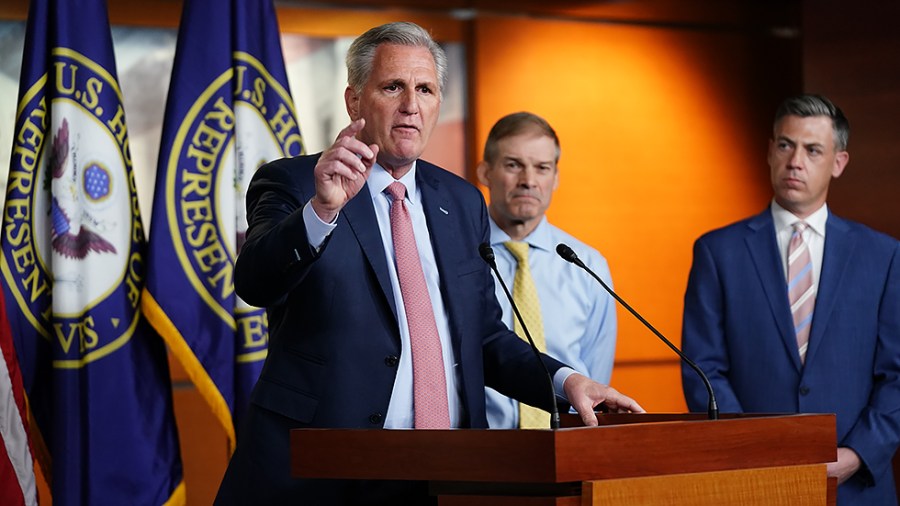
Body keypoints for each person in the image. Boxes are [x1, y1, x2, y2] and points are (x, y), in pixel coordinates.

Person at [214, 21, 643, 505]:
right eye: (393, 87)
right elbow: (255, 282)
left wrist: (568, 381)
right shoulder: (295, 182)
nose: (411, 106)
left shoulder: (460, 200)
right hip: (323, 471)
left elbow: (483, 335)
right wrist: (322, 211)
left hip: (444, 474)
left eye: (425, 89)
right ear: (355, 100)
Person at [681, 94, 900, 505]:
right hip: (752, 482)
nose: (795, 161)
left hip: (856, 487)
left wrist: (856, 454)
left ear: (839, 163)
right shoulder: (717, 252)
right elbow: (703, 369)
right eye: (785, 145)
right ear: (769, 151)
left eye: (813, 150)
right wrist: (757, 449)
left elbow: (898, 375)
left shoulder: (884, 256)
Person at [475, 112, 617, 429]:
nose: (528, 180)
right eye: (513, 165)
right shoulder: (459, 258)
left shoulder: (588, 265)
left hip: (567, 447)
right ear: (485, 172)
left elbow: (594, 375)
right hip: (482, 450)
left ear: (555, 178)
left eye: (542, 168)